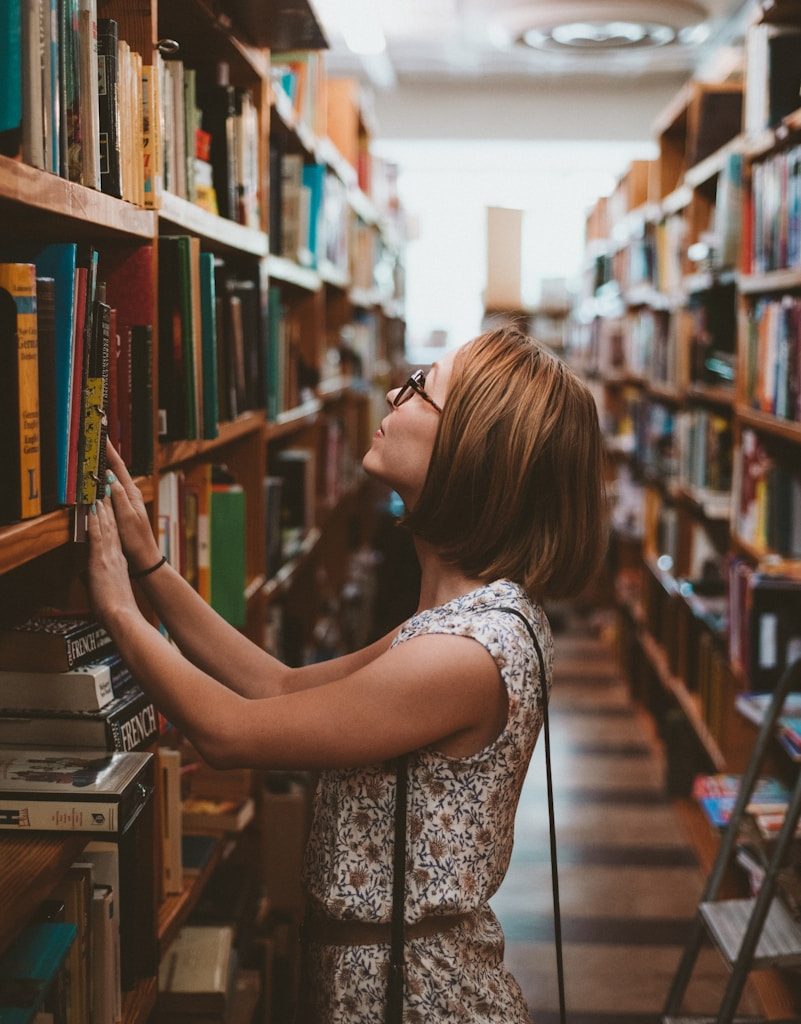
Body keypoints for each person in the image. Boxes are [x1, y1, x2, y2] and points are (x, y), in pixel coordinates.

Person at [87, 324, 607, 1023]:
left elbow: (226, 734)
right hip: (381, 976)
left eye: (420, 387)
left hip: (416, 997)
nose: (394, 391)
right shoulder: (468, 616)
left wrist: (119, 610)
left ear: (470, 452)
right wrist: (151, 568)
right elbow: (275, 687)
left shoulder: (464, 652)